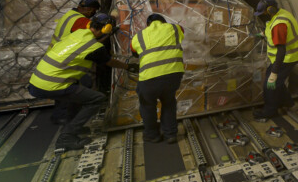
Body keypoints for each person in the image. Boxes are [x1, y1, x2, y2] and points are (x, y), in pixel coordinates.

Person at [28, 13, 125, 151]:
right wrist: (127, 66)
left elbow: (92, 45)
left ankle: (72, 126)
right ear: (107, 28)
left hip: (37, 81)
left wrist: (106, 36)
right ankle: (66, 137)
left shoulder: (79, 34)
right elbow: (108, 60)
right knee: (97, 99)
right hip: (52, 84)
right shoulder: (94, 48)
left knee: (78, 94)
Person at [130, 14, 185, 144]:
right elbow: (182, 32)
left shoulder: (138, 36)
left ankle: (152, 135)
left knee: (148, 105)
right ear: (164, 22)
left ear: (148, 24)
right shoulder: (175, 28)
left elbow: (134, 53)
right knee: (169, 102)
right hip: (173, 74)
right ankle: (170, 134)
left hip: (149, 77)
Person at [253, 0, 298, 119]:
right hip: (291, 55)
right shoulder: (281, 14)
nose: (263, 15)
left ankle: (270, 111)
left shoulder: (279, 25)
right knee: (278, 83)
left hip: (287, 57)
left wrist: (274, 73)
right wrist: (263, 34)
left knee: (270, 84)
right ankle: (289, 103)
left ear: (270, 10)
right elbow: (274, 30)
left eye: (264, 12)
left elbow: (281, 50)